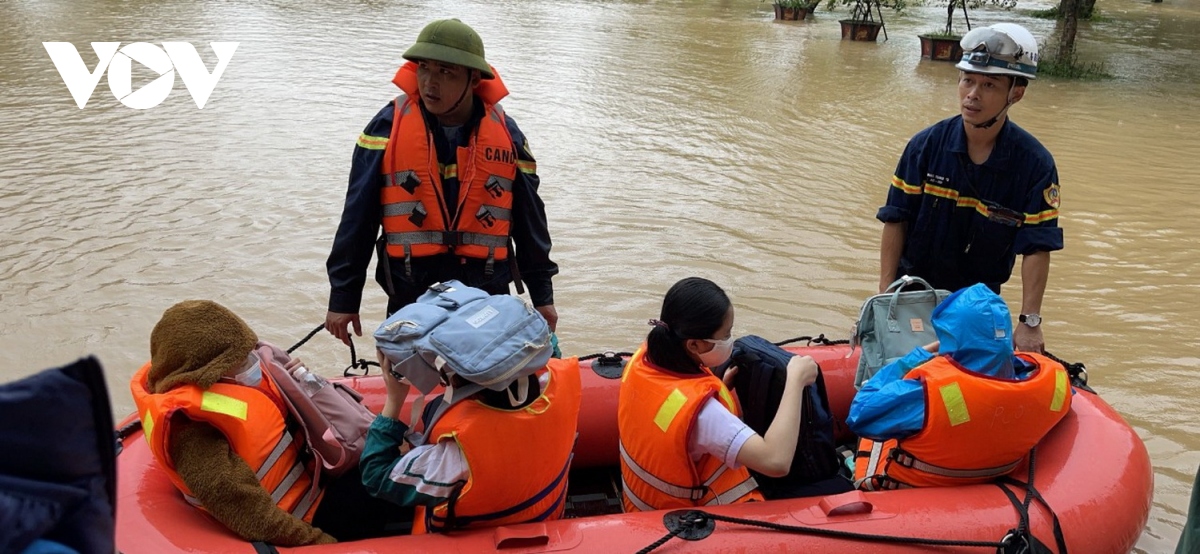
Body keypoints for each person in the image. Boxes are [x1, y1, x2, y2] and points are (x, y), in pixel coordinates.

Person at [325, 18, 558, 348]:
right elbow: (357, 219)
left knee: (484, 383)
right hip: (411, 291)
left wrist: (542, 296)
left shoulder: (507, 136)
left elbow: (531, 223)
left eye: (446, 72)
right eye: (423, 68)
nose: (429, 83)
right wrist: (343, 299)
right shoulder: (386, 128)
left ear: (474, 79)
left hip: (485, 294)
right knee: (410, 377)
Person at [129, 300, 404, 545]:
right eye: (240, 360)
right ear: (207, 371)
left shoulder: (227, 386)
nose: (252, 362)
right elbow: (246, 510)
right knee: (386, 493)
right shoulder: (192, 432)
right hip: (303, 518)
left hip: (315, 488)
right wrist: (320, 543)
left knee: (385, 472)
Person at [876, 23, 1062, 353]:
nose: (973, 94)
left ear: (1016, 93)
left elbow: (1036, 247)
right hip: (913, 295)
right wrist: (884, 296)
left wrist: (1029, 322)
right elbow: (896, 220)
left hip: (979, 307)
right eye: (968, 80)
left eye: (989, 84)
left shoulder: (1035, 164)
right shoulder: (925, 147)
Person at [617, 277, 819, 512]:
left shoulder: (642, 360)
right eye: (725, 335)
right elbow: (776, 462)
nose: (730, 340)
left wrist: (720, 387)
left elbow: (666, 413)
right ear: (693, 345)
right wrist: (795, 380)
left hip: (642, 507)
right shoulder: (704, 414)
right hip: (684, 527)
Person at [847, 284, 1072, 491]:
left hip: (915, 493)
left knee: (883, 423)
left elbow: (859, 415)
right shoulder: (1053, 382)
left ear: (949, 338)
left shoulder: (925, 393)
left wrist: (914, 357)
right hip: (993, 482)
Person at [361, 334, 582, 533]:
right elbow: (549, 342)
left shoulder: (456, 455)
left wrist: (393, 400)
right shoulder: (557, 387)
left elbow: (376, 476)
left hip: (478, 536)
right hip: (546, 515)